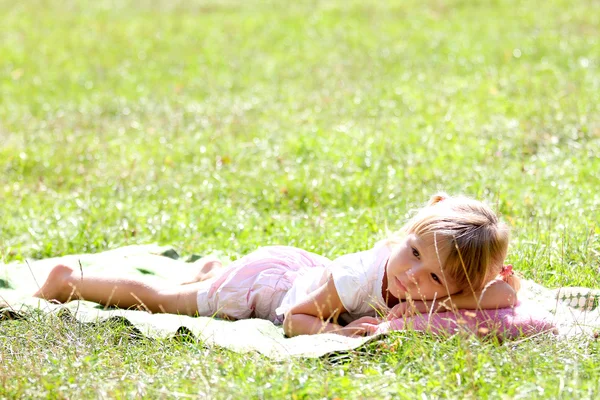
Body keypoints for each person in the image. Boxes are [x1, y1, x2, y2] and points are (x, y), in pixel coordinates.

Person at [33, 193, 519, 337]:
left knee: (201, 284)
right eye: (413, 253)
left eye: (434, 276)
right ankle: (68, 282)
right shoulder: (358, 280)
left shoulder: (431, 287)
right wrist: (330, 334)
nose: (411, 277)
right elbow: (296, 319)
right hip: (264, 289)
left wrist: (475, 289)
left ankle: (210, 270)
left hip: (300, 270)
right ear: (404, 236)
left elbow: (504, 295)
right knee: (164, 302)